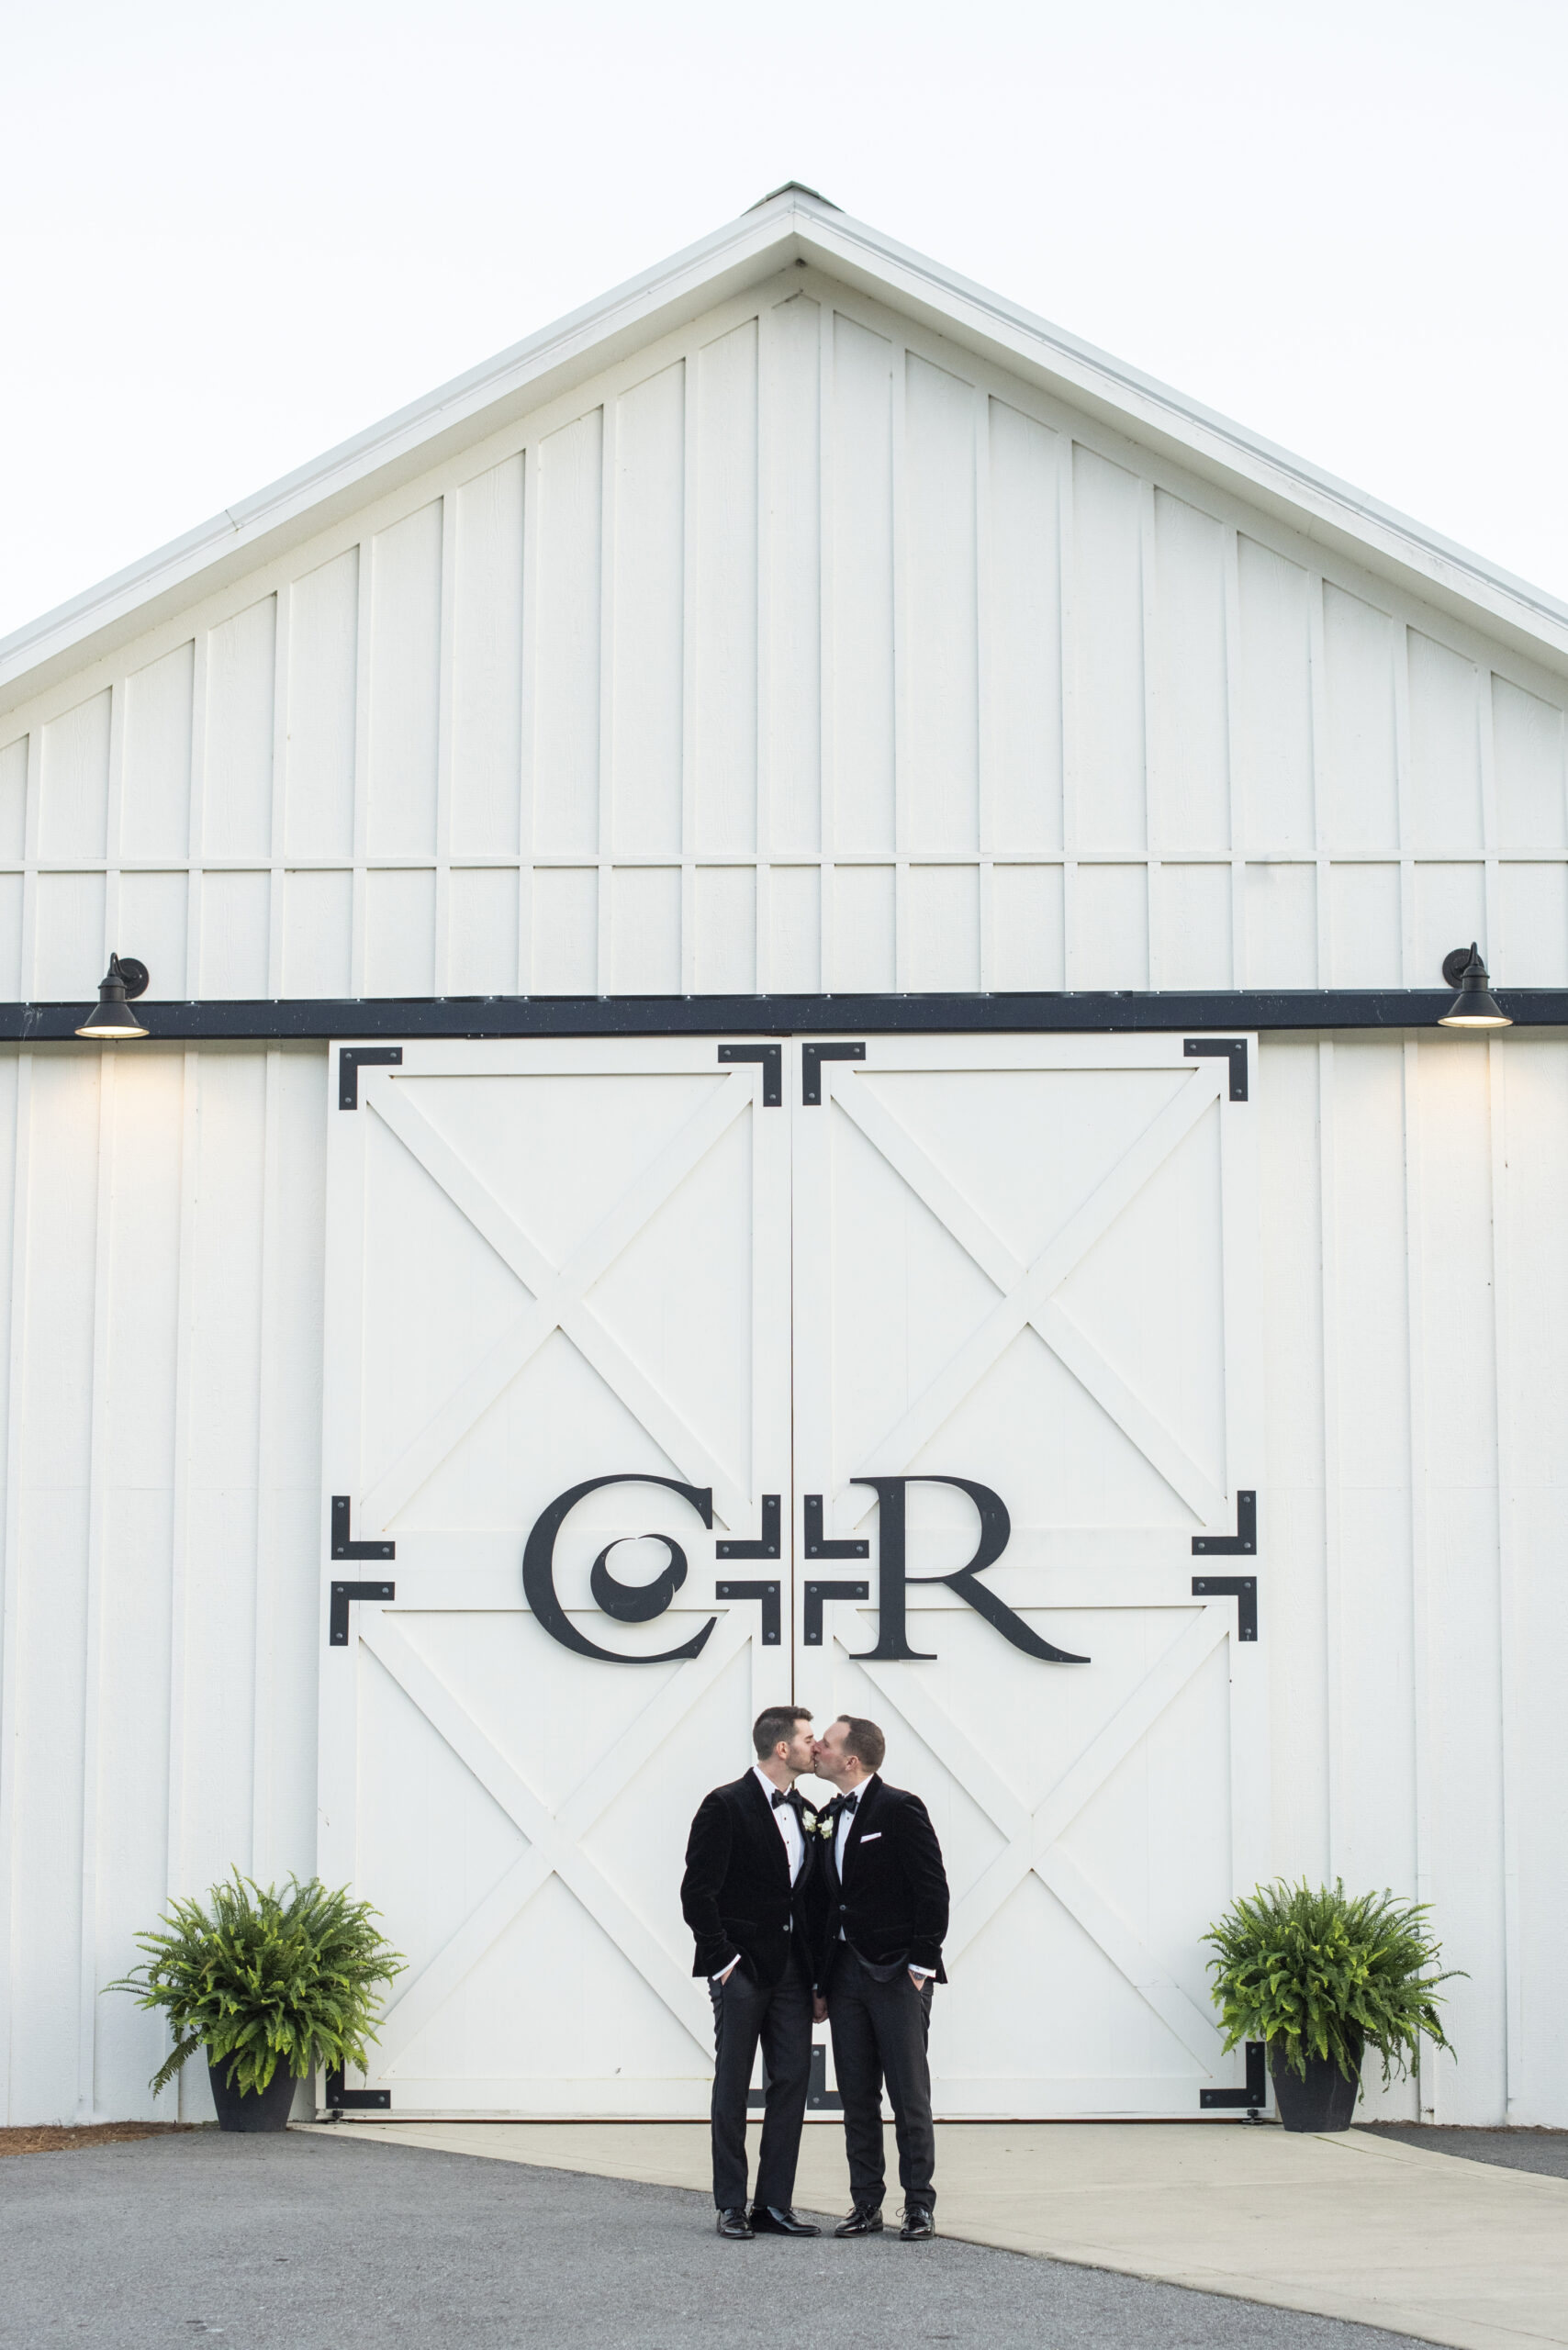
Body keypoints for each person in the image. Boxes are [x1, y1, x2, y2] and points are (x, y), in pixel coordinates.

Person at [680, 1705, 831, 2240]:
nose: (818, 1747)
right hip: (741, 1970)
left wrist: (816, 1979)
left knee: (791, 2081)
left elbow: (811, 1903)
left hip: (793, 1973)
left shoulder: (809, 1810)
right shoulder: (724, 1804)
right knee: (734, 2081)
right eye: (810, 1738)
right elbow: (697, 1893)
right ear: (782, 1748)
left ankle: (773, 2204)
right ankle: (730, 2204)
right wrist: (722, 1961)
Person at [812, 1714, 948, 2242]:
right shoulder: (827, 1815)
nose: (816, 1747)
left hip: (895, 1974)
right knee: (857, 2094)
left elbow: (932, 1891)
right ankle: (865, 2202)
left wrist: (919, 1966)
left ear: (852, 1759)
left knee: (909, 2094)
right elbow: (827, 1905)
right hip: (845, 1977)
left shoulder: (900, 1808)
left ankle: (919, 2206)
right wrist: (821, 1983)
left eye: (826, 1741)